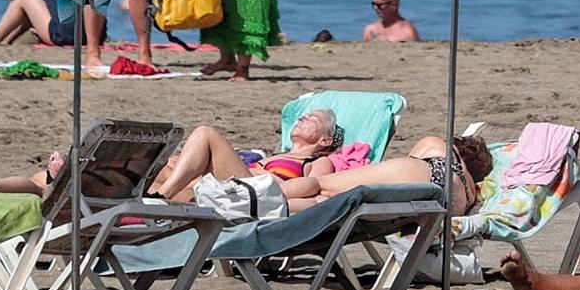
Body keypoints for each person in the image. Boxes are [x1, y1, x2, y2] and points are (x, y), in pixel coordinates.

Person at [149, 110, 344, 209]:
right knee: (166, 164)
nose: (302, 118)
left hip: (255, 191)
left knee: (205, 134)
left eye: (312, 119)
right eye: (302, 117)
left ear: (325, 139)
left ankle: (160, 199)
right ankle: (140, 205)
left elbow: (317, 190)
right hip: (232, 185)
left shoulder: (317, 162)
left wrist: (277, 188)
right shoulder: (275, 156)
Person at [310, 133, 494, 214]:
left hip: (432, 172)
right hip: (442, 208)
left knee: (321, 185)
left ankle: (281, 197)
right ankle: (290, 205)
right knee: (329, 198)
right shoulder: (470, 196)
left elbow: (411, 167)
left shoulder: (443, 147)